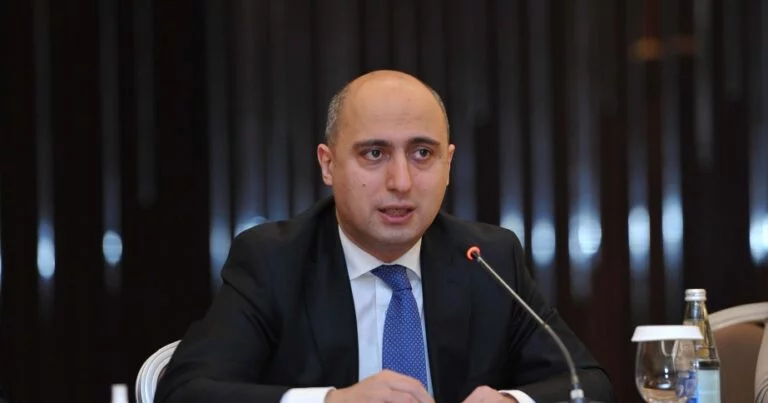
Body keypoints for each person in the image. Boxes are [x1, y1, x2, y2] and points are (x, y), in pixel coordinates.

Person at [155, 70, 614, 403]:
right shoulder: (274, 260)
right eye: (374, 154)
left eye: (422, 153)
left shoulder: (487, 258)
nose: (401, 182)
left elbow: (589, 385)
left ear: (448, 164)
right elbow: (186, 391)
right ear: (328, 164)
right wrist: (332, 402)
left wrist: (513, 402)